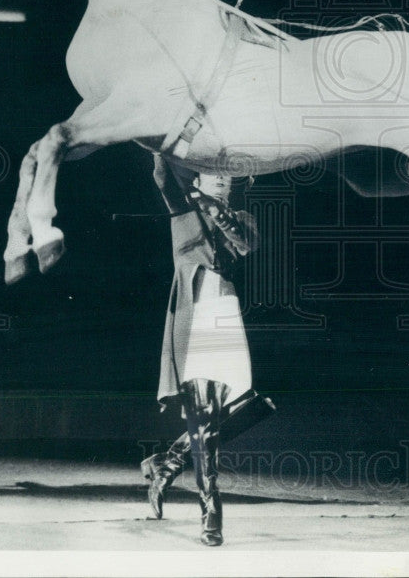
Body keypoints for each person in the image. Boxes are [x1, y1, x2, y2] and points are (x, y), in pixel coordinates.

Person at [140, 156, 259, 546]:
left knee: (248, 405)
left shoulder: (242, 217)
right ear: (199, 177)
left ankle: (165, 464)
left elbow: (241, 246)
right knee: (204, 415)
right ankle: (211, 509)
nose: (223, 181)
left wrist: (217, 210)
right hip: (196, 317)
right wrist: (161, 148)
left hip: (225, 312)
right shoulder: (182, 210)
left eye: (227, 177)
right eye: (215, 174)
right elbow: (163, 177)